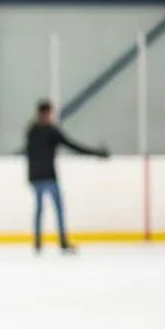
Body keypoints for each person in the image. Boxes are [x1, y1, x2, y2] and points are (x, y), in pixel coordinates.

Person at [24, 99, 109, 254]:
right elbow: (72, 145)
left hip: (36, 176)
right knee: (55, 208)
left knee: (41, 209)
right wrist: (95, 153)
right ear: (47, 113)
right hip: (47, 176)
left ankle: (39, 242)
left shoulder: (32, 130)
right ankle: (60, 242)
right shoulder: (49, 131)